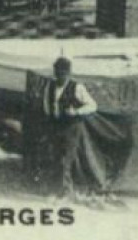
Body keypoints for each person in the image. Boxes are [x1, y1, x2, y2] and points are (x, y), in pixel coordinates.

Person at [40, 57, 100, 198]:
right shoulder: (50, 86)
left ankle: (65, 192)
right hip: (56, 125)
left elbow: (92, 105)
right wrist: (51, 115)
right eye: (57, 73)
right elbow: (47, 104)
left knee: (65, 159)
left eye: (62, 73)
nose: (59, 76)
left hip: (71, 127)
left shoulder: (77, 87)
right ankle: (57, 188)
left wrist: (76, 112)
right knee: (54, 156)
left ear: (68, 73)